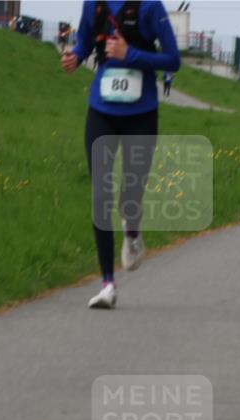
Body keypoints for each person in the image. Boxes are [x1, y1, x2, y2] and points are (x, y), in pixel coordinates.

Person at [61, 0, 180, 309]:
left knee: (131, 194)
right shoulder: (94, 4)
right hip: (101, 111)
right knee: (101, 194)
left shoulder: (151, 7)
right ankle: (107, 284)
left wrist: (131, 55)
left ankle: (132, 231)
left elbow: (173, 60)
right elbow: (85, 41)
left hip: (141, 114)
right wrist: (75, 56)